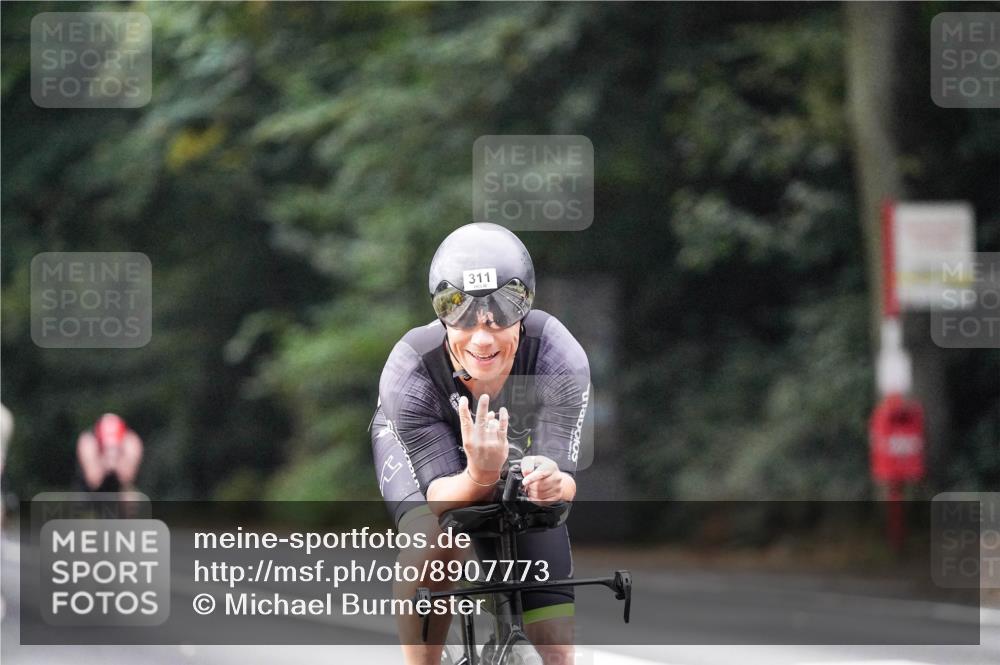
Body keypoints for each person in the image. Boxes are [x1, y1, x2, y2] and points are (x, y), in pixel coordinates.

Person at [371, 223, 590, 665]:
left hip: (509, 454)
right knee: (437, 536)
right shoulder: (410, 368)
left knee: (556, 647)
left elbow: (563, 482)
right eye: (465, 320)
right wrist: (478, 475)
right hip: (431, 464)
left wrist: (550, 485)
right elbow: (439, 500)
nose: (484, 339)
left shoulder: (557, 355)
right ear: (442, 317)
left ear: (523, 311)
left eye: (500, 319)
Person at [76, 413, 143, 493]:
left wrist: (115, 463)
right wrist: (106, 462)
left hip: (119, 489)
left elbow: (127, 477)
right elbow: (93, 480)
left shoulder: (131, 441)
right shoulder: (88, 441)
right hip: (89, 491)